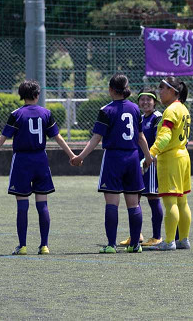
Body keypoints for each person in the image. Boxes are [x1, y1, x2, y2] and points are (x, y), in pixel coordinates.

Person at [0, 80, 77, 255]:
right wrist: (72, 156)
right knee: (43, 204)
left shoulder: (16, 114)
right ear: (37, 95)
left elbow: (2, 139)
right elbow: (58, 137)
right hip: (40, 160)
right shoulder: (46, 113)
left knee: (22, 205)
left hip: (22, 162)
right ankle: (44, 245)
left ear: (21, 96)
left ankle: (22, 246)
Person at [70, 74, 152, 254]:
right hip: (132, 158)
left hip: (114, 158)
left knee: (112, 203)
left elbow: (96, 138)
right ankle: (135, 245)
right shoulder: (135, 109)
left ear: (110, 89)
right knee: (133, 204)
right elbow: (140, 137)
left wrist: (80, 156)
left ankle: (111, 245)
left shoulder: (106, 110)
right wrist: (148, 156)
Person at [146, 77, 191, 251]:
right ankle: (183, 239)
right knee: (182, 201)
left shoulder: (171, 110)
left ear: (173, 91)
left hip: (171, 158)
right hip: (183, 156)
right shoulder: (183, 108)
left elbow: (165, 137)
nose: (160, 91)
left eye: (163, 88)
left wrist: (151, 153)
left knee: (170, 202)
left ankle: (169, 241)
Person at [118, 89, 163, 248]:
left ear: (155, 102)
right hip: (136, 162)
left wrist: (150, 158)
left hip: (150, 162)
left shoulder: (158, 117)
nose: (145, 103)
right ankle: (136, 235)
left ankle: (157, 236)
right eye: (142, 100)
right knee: (134, 199)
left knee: (152, 197)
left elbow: (159, 139)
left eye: (148, 100)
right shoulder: (140, 118)